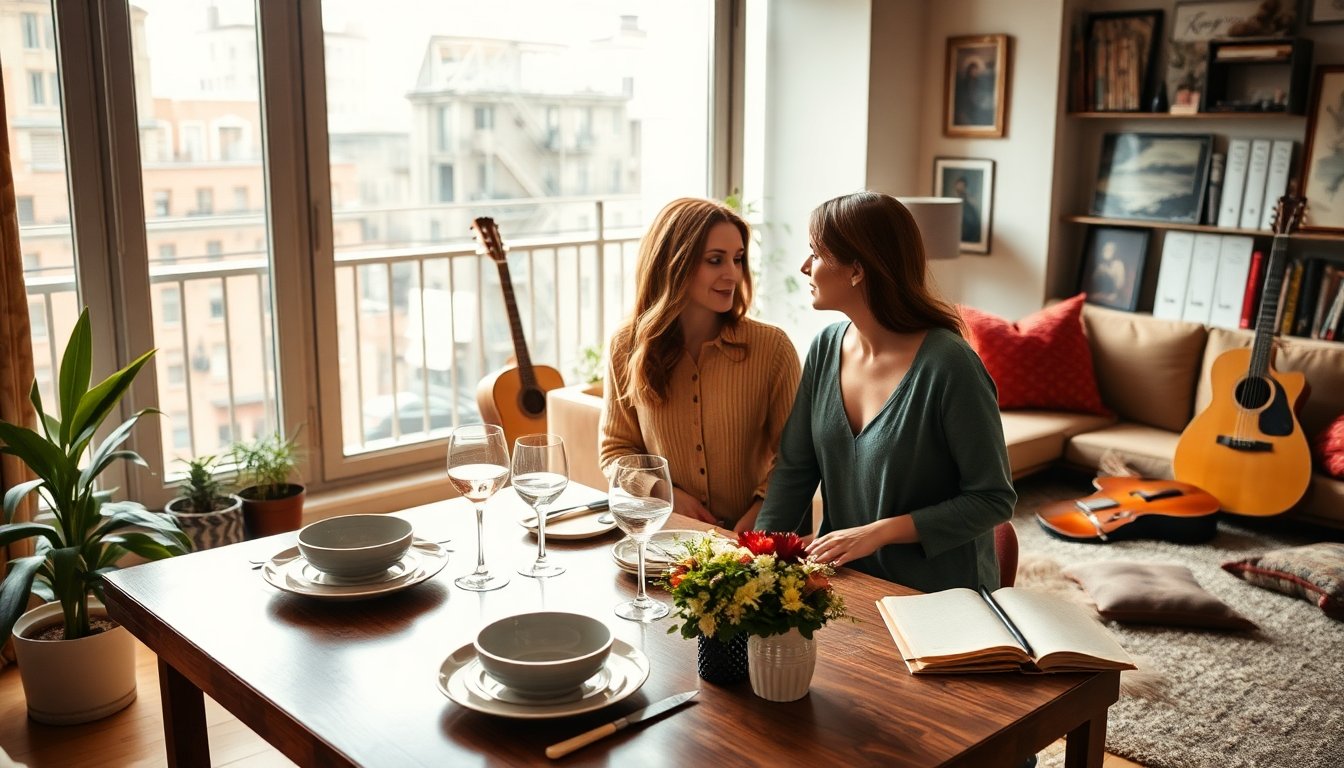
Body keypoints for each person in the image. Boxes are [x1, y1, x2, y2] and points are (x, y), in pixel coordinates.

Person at [755, 191, 1016, 593]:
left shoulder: (950, 365)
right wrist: (758, 561)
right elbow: (795, 470)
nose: (805, 266)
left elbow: (993, 499)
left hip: (939, 594)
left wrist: (877, 533)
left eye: (817, 254)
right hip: (847, 585)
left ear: (857, 269)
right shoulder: (826, 347)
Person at [600, 197, 801, 533]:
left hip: (754, 543)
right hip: (665, 536)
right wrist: (665, 493)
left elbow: (794, 459)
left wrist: (753, 522)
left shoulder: (772, 348)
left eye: (737, 259)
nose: (732, 274)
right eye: (715, 260)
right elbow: (616, 451)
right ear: (674, 264)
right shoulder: (626, 346)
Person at [952, 176, 981, 244]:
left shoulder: (971, 206)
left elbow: (974, 225)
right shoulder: (951, 207)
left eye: (962, 190)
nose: (959, 193)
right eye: (958, 190)